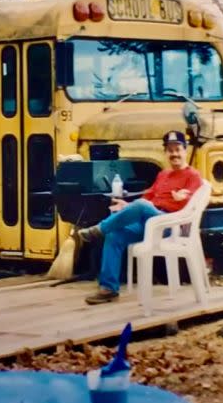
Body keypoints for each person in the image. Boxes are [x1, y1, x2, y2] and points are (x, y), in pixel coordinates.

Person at [75, 130, 204, 305]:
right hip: (150, 223)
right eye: (170, 150)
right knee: (115, 235)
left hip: (169, 224)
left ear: (185, 150)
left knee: (140, 207)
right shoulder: (163, 174)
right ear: (165, 152)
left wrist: (183, 198)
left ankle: (99, 230)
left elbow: (192, 202)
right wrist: (127, 207)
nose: (174, 154)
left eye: (178, 149)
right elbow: (147, 198)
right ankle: (108, 289)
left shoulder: (193, 176)